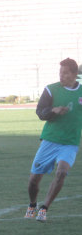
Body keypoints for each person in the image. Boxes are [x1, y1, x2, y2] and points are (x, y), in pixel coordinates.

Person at [25, 58, 82, 222]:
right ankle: (32, 204)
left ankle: (44, 208)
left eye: (65, 73)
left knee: (62, 172)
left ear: (74, 74)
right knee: (34, 180)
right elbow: (40, 112)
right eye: (60, 72)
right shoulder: (50, 90)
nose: (61, 76)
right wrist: (53, 110)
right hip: (50, 140)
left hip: (70, 143)